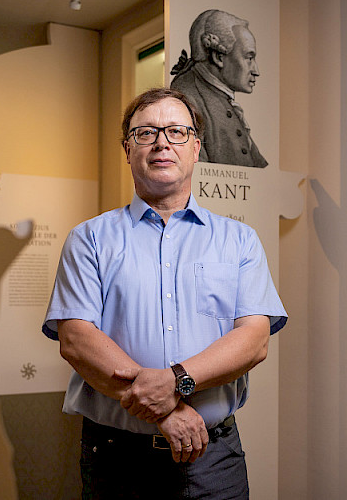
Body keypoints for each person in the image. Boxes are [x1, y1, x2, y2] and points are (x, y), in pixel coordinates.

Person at [42, 88, 287, 499]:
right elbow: (76, 340)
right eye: (146, 133)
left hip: (213, 457)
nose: (161, 143)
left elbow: (254, 341)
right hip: (117, 458)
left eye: (176, 131)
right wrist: (168, 411)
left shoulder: (239, 241)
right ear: (127, 149)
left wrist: (177, 382)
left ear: (196, 148)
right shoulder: (89, 239)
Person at [171, 9, 268, 168]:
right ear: (219, 57)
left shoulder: (219, 94)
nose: (256, 71)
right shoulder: (186, 97)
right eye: (249, 58)